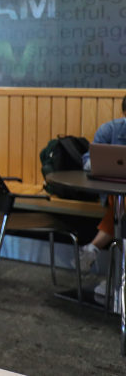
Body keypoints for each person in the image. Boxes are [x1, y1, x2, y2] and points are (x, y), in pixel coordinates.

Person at [79, 94, 126, 294]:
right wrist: (102, 165)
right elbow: (88, 162)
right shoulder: (110, 130)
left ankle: (93, 248)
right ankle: (117, 283)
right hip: (111, 194)